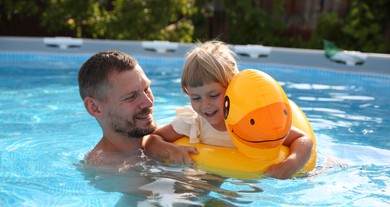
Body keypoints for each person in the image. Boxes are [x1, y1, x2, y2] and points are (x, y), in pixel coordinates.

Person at [145, 41, 313, 179]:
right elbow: (153, 140)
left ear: (232, 87)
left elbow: (303, 139)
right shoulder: (194, 122)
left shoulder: (250, 121)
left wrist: (290, 164)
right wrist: (171, 150)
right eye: (195, 98)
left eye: (213, 95)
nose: (205, 105)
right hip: (206, 178)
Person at [78, 50, 189, 165]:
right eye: (131, 96)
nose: (148, 102)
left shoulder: (165, 135)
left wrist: (154, 142)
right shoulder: (107, 170)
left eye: (146, 89)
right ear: (95, 108)